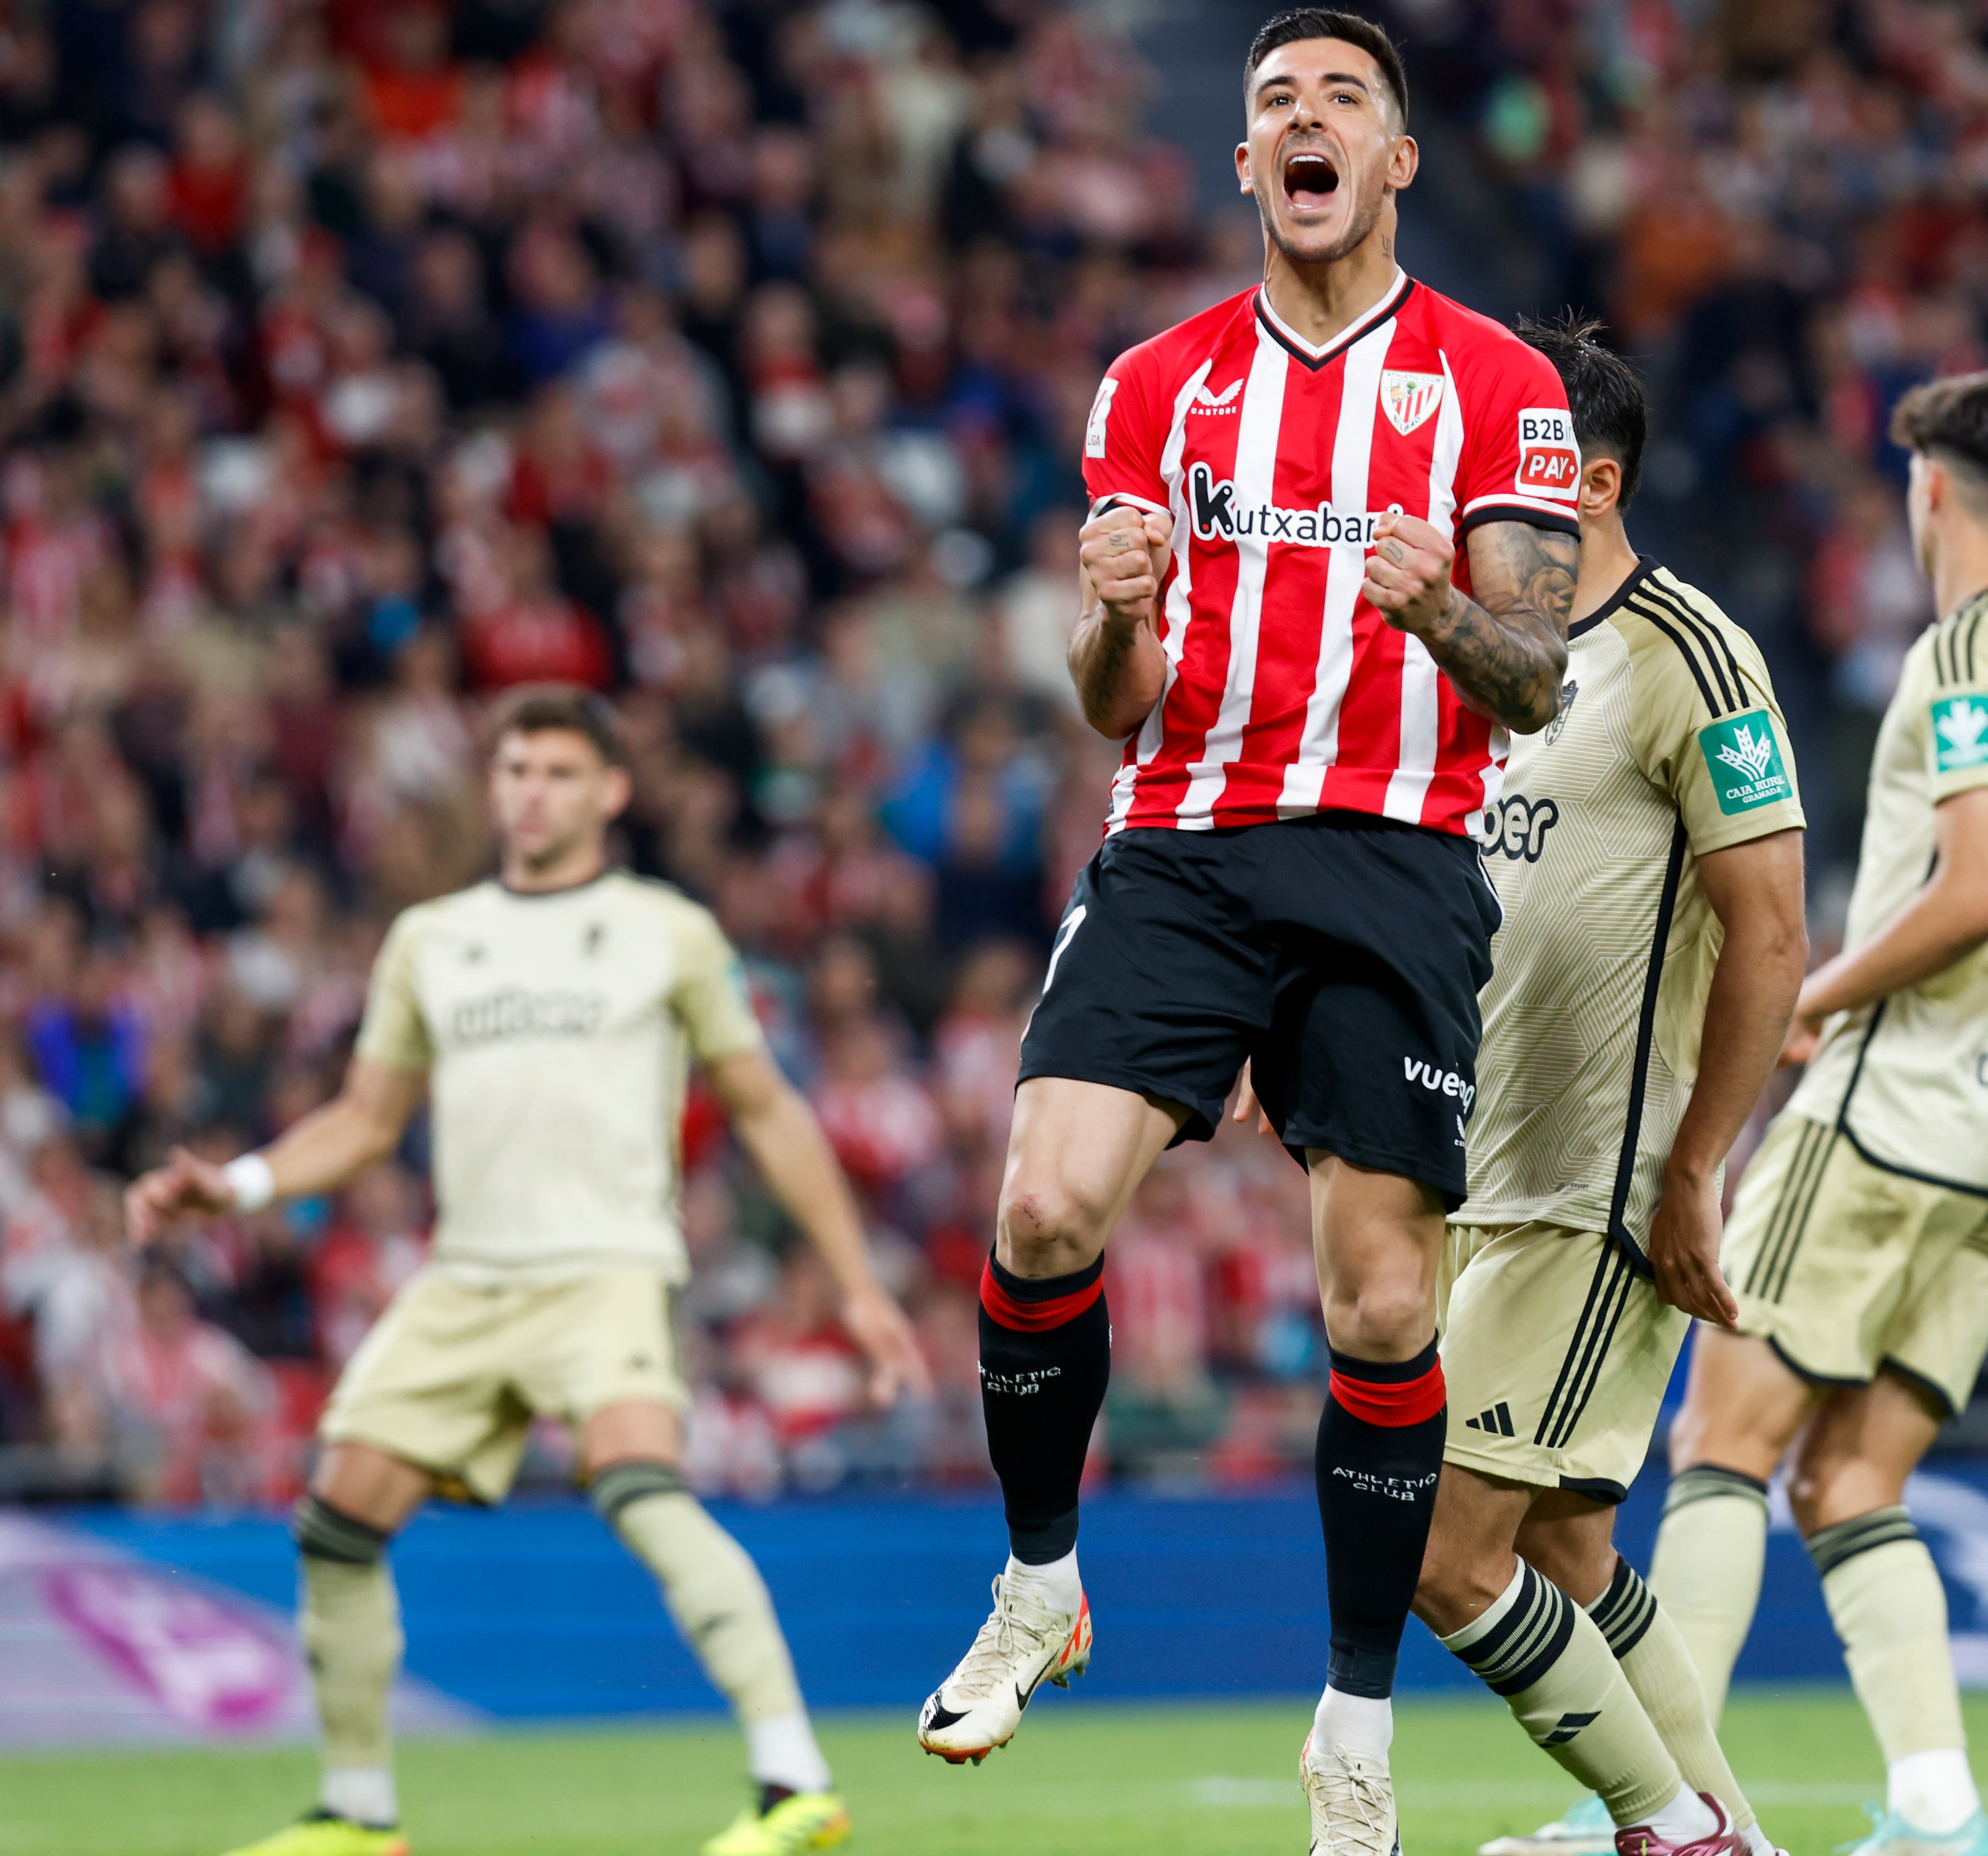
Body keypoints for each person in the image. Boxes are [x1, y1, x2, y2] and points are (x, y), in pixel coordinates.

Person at [907, 14, 1586, 1854]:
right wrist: (1108, 618)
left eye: (1341, 99)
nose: (1304, 121)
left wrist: (1440, 604)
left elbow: (1533, 681)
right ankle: (1042, 1585)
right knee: (1043, 1206)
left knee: (1377, 1297)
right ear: (1243, 166)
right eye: (1274, 101)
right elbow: (1111, 697)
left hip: (1397, 854)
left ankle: (1354, 1720)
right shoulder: (1156, 387)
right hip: (1189, 841)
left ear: (1398, 158)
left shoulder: (1499, 381)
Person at [126, 685, 929, 1856]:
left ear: (608, 790)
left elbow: (767, 1108)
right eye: (513, 770)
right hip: (467, 1277)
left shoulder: (669, 929)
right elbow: (362, 1118)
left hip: (606, 1266)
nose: (530, 791)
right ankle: (358, 1811)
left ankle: (793, 1781)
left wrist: (856, 1284)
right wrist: (241, 1183)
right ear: (491, 786)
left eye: (556, 771)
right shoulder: (432, 938)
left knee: (640, 1486)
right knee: (337, 1514)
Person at [1643, 371, 1988, 1856]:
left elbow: (1981, 884)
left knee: (1719, 1445)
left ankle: (1679, 1809)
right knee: (1854, 1478)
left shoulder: (1965, 648)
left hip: (1894, 1110)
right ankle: (1939, 1808)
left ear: (1928, 491)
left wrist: (1822, 993)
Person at [1391, 315, 1806, 1856]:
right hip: (1467, 1168)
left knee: (1444, 1551)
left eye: (1509, 453)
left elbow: (1771, 923)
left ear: (1594, 473)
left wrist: (1697, 1163)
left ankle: (1672, 1827)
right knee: (1564, 1546)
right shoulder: (1485, 669)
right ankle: (1731, 1831)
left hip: (1593, 1180)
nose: (1474, 481)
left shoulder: (1694, 652)